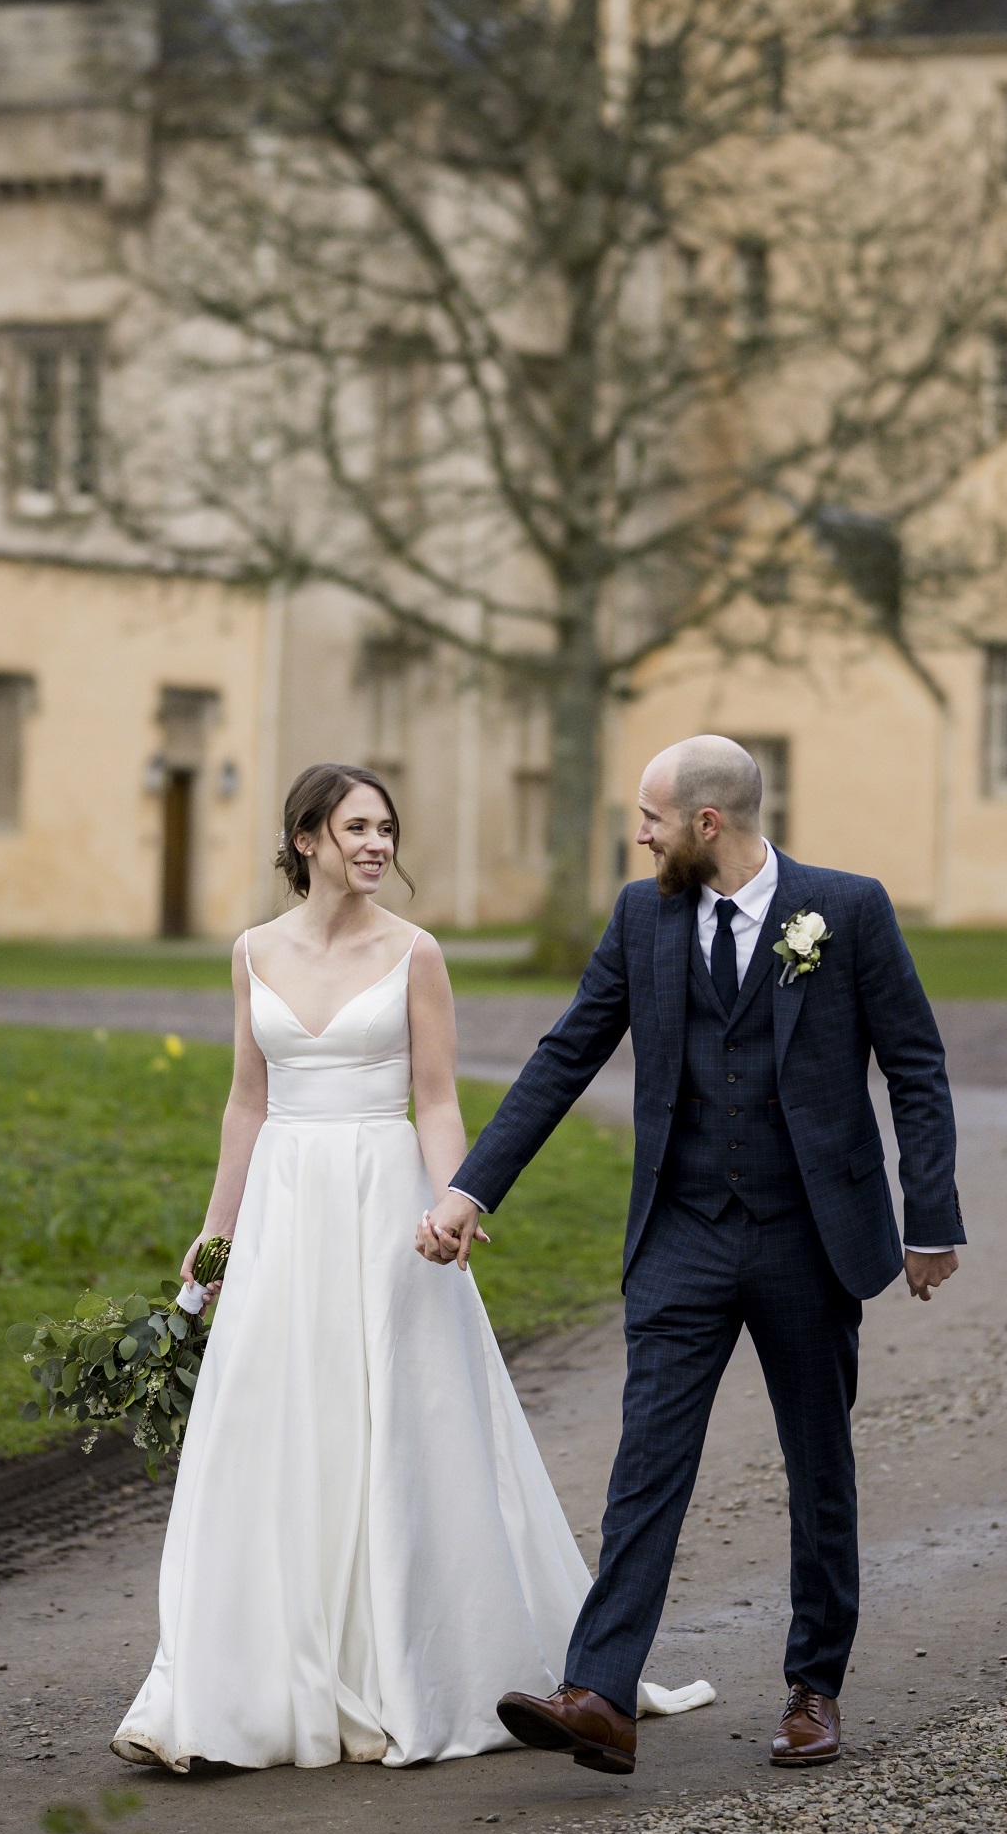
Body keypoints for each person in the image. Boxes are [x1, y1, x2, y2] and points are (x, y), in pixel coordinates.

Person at [112, 762, 705, 1773]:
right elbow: (247, 1102)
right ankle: (244, 1688)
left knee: (398, 1418)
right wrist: (216, 1238)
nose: (376, 844)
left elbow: (434, 1098)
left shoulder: (415, 953)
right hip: (286, 1210)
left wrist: (452, 1201)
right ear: (305, 840)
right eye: (355, 828)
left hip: (385, 1203)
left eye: (385, 828)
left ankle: (411, 1666)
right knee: (274, 1423)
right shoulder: (252, 953)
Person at [419, 734, 961, 1776]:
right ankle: (599, 1694)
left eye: (650, 819)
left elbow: (915, 1065)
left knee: (818, 1467)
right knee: (646, 1462)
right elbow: (565, 1055)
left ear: (706, 823)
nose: (638, 836)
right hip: (682, 1233)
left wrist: (927, 1219)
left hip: (810, 1237)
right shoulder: (642, 917)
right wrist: (469, 1187)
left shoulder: (846, 910)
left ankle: (813, 1688)